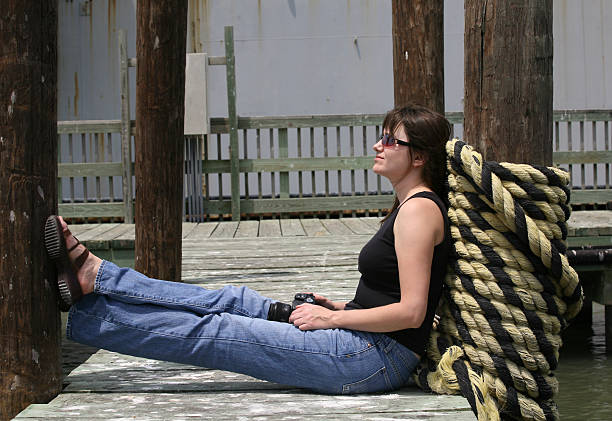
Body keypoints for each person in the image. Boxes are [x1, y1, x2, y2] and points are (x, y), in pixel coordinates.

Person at [45, 104, 451, 395]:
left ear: (418, 156)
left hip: (368, 358)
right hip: (361, 337)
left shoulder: (418, 212)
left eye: (389, 139)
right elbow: (396, 294)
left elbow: (412, 313)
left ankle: (89, 317)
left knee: (219, 330)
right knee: (233, 300)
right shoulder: (408, 205)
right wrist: (343, 308)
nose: (378, 145)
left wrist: (330, 319)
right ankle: (96, 275)